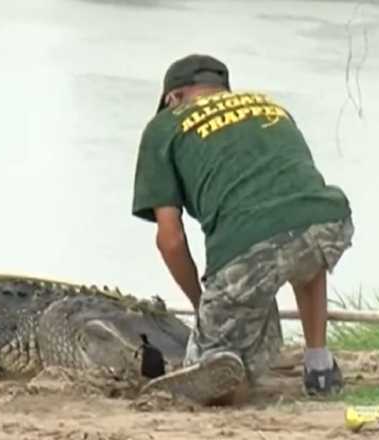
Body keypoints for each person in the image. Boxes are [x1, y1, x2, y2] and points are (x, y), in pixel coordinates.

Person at [130, 54, 353, 405]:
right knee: (302, 244)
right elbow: (295, 198)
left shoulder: (164, 126)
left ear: (173, 98)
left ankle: (226, 366)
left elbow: (170, 240)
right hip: (329, 222)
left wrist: (202, 305)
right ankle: (319, 366)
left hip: (250, 251)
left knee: (211, 367)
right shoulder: (268, 106)